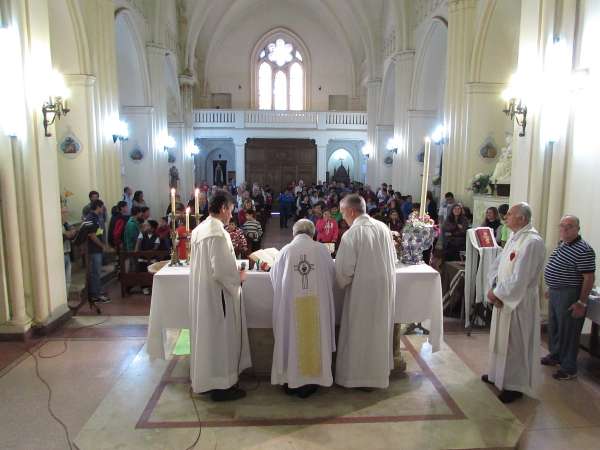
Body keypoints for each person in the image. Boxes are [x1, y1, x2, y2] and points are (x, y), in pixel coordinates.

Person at [189, 190, 251, 401]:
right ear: (223, 208)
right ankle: (223, 386)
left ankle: (208, 380)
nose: (231, 215)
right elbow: (222, 272)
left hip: (204, 295)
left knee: (209, 339)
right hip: (218, 297)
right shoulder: (217, 232)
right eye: (231, 210)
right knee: (222, 339)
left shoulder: (199, 230)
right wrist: (239, 278)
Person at [482, 203, 546, 403]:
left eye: (510, 214)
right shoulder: (515, 236)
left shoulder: (532, 242)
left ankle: (514, 385)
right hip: (504, 297)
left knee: (515, 343)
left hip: (518, 302)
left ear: (522, 218)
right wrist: (493, 286)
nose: (505, 217)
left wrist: (498, 294)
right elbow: (499, 263)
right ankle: (496, 374)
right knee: (499, 340)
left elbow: (521, 278)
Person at [335, 194, 397, 389]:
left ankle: (358, 378)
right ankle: (377, 376)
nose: (342, 216)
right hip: (384, 290)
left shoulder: (352, 234)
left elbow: (344, 271)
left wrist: (341, 281)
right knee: (378, 331)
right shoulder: (383, 228)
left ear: (352, 211)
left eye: (343, 212)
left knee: (360, 332)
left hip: (362, 292)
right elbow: (393, 258)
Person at [269, 219, 336, 398]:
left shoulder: (285, 251)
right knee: (316, 336)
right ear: (312, 233)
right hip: (317, 307)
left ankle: (292, 379)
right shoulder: (322, 250)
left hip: (292, 309)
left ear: (294, 233)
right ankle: (313, 380)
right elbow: (331, 275)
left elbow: (275, 279)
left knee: (292, 337)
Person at [543, 215, 596, 380]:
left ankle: (569, 367)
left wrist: (581, 302)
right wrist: (551, 287)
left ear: (577, 229)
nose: (564, 229)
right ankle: (556, 355)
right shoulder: (562, 244)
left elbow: (589, 278)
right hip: (556, 292)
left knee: (569, 332)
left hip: (570, 294)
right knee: (555, 327)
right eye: (562, 225)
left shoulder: (584, 249)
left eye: (569, 226)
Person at [82, 200, 110, 303]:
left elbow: (99, 232)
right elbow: (92, 235)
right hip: (93, 249)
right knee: (95, 272)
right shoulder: (90, 218)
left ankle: (98, 291)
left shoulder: (97, 217)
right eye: (102, 207)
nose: (103, 209)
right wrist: (102, 245)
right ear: (98, 207)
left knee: (97, 272)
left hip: (97, 248)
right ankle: (95, 295)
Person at [61, 206, 76, 293]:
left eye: (67, 212)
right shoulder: (57, 225)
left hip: (68, 253)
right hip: (61, 255)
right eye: (64, 212)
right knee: (62, 280)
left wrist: (70, 232)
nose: (66, 214)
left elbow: (72, 232)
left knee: (68, 281)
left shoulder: (66, 224)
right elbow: (66, 235)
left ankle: (66, 297)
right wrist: (69, 233)